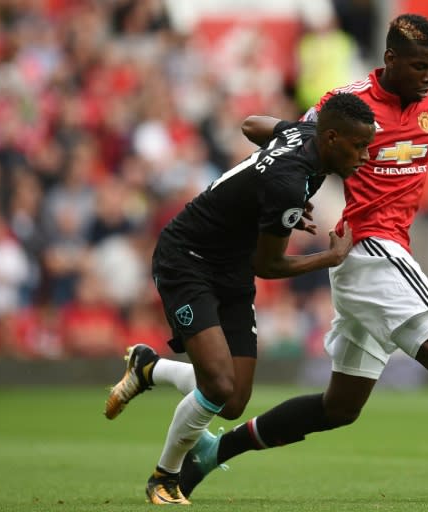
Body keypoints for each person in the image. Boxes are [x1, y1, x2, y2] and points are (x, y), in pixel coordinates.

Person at [110, 13, 428, 504]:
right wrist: (282, 194)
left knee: (340, 406)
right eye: (419, 66)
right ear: (390, 59)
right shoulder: (346, 104)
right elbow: (291, 141)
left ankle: (215, 451)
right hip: (370, 245)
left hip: (359, 258)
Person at [104, 92, 376, 505]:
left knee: (232, 401)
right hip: (187, 258)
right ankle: (164, 477)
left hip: (231, 265)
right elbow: (269, 267)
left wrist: (267, 198)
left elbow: (251, 124)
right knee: (217, 385)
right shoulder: (288, 181)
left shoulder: (305, 137)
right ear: (333, 138)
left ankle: (150, 368)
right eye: (359, 145)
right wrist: (331, 256)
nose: (365, 155)